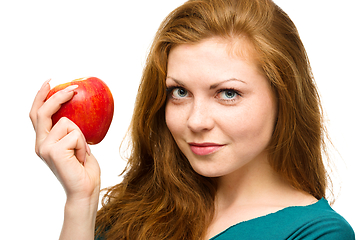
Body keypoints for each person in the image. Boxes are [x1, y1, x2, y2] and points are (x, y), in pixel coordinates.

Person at [30, 0, 355, 239]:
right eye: (180, 92)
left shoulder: (317, 233)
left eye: (228, 93)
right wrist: (81, 200)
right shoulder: (132, 215)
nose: (196, 121)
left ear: (284, 98)